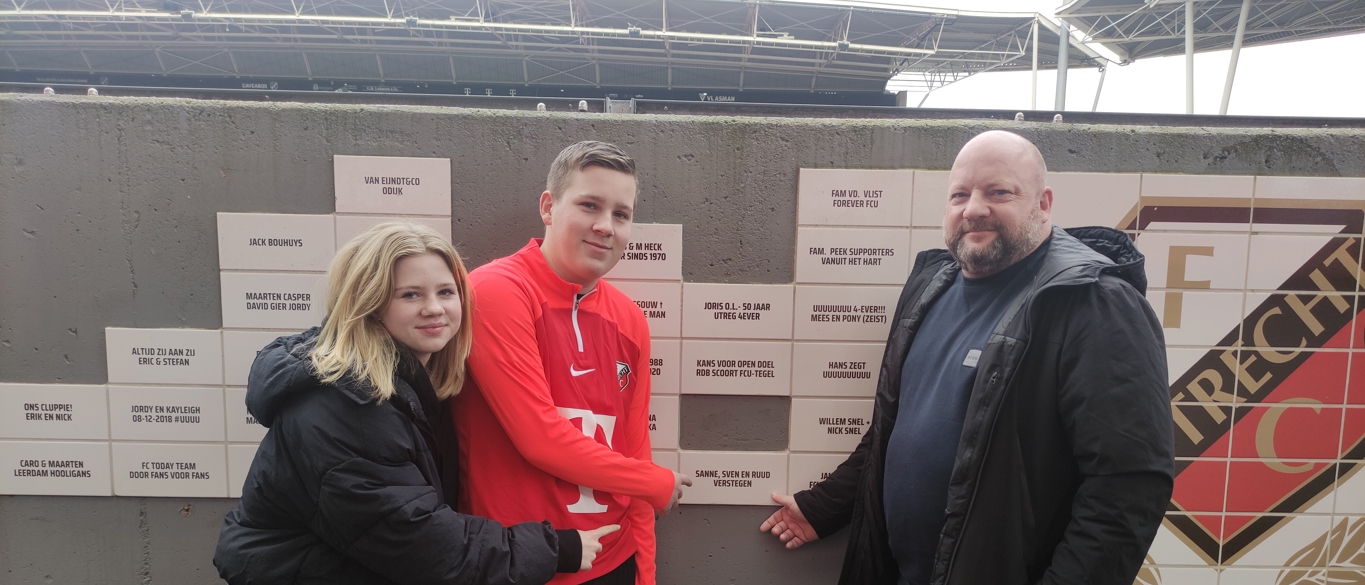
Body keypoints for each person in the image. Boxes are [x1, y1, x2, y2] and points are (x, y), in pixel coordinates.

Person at [760, 130, 1174, 585]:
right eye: (960, 194)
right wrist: (825, 507)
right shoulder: (930, 288)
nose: (974, 208)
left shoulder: (1094, 303)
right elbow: (893, 428)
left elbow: (1128, 488)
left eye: (998, 192)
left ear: (1043, 203)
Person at [214, 222, 618, 585]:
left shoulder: (409, 384)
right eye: (410, 295)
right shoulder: (348, 405)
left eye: (446, 292)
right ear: (370, 305)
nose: (434, 308)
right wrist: (555, 548)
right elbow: (420, 542)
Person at [452, 141, 690, 585]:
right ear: (548, 207)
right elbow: (539, 438)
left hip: (614, 559)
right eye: (589, 205)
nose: (605, 226)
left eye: (621, 214)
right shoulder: (497, 290)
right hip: (523, 560)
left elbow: (634, 447)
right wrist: (655, 483)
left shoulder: (630, 319)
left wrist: (646, 572)